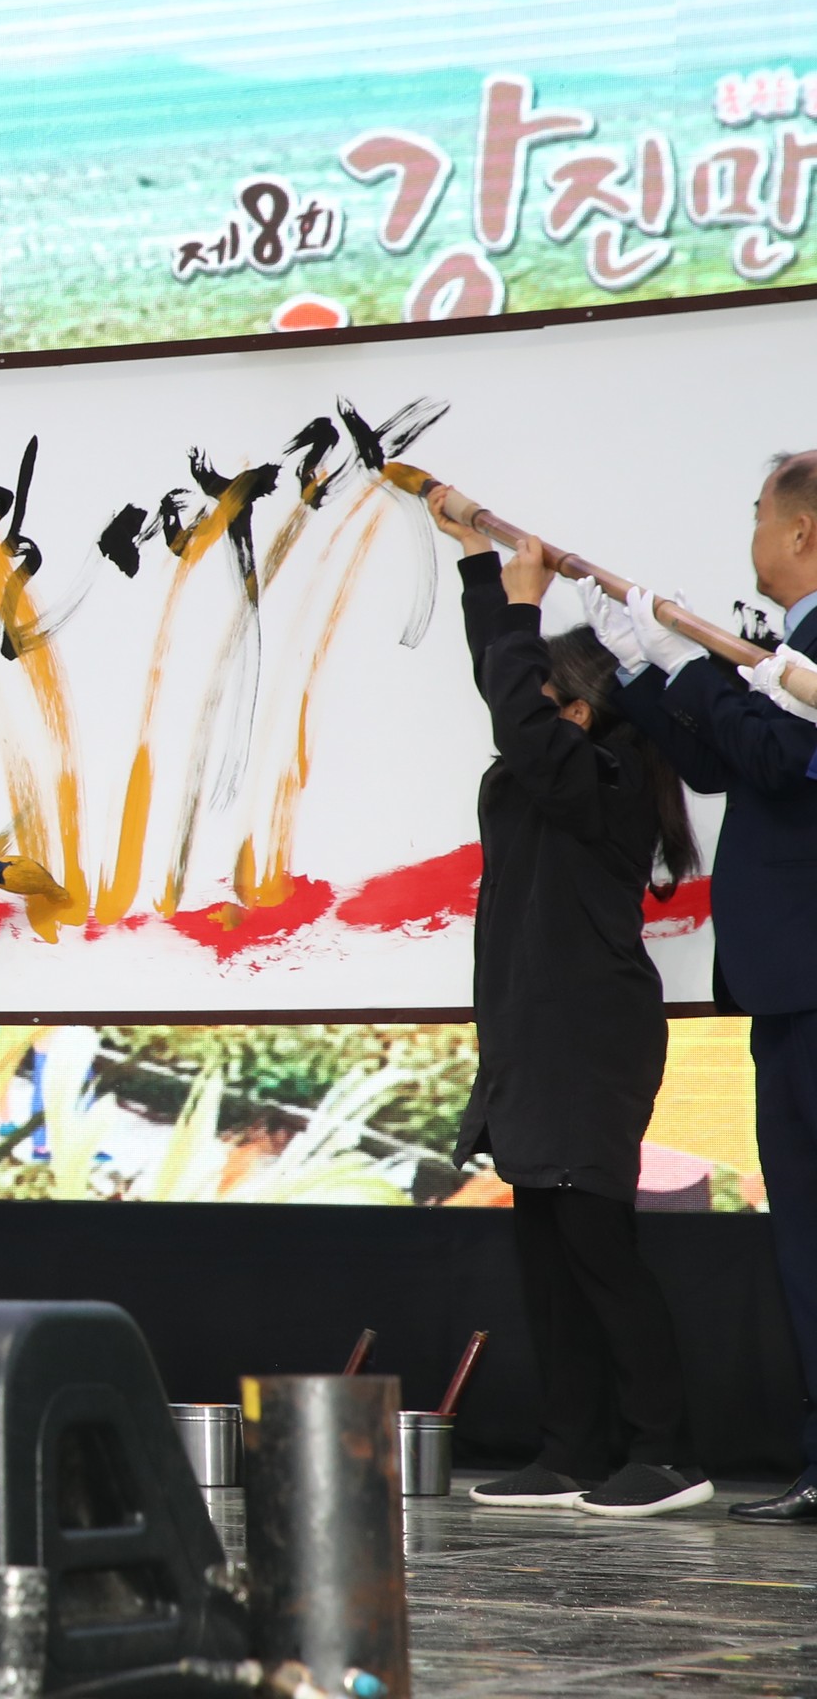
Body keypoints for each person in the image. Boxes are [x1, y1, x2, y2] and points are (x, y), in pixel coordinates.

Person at [425, 497, 710, 1519]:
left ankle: (662, 1451)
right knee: (546, 1252)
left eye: (542, 694)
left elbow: (513, 701)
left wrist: (521, 599)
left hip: (588, 1039)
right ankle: (574, 1445)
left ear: (576, 711)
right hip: (533, 1032)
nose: (519, 707)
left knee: (596, 1247)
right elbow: (502, 682)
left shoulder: (600, 776)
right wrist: (477, 564)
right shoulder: (558, 762)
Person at [591, 450, 817, 1524]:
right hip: (786, 985)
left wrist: (692, 667)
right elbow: (731, 759)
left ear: (802, 531)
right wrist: (646, 672)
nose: (753, 537)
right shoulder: (794, 649)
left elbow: (775, 757)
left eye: (760, 516)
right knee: (802, 1232)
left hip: (812, 980)